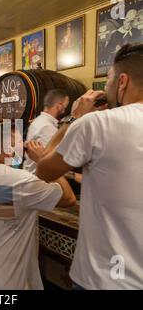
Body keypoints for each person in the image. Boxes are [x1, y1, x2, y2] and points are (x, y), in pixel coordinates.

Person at [32, 43, 143, 289]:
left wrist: (76, 118)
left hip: (103, 279)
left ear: (122, 82)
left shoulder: (96, 123)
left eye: (110, 80)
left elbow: (44, 169)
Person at [0, 122, 76, 289]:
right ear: (7, 148)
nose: (24, 144)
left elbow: (4, 213)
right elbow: (69, 199)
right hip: (11, 280)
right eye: (19, 141)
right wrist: (43, 160)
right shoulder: (18, 180)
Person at [23, 89, 69, 173]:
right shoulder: (47, 127)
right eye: (64, 106)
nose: (65, 110)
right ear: (59, 106)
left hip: (32, 174)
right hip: (40, 179)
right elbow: (50, 160)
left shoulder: (39, 120)